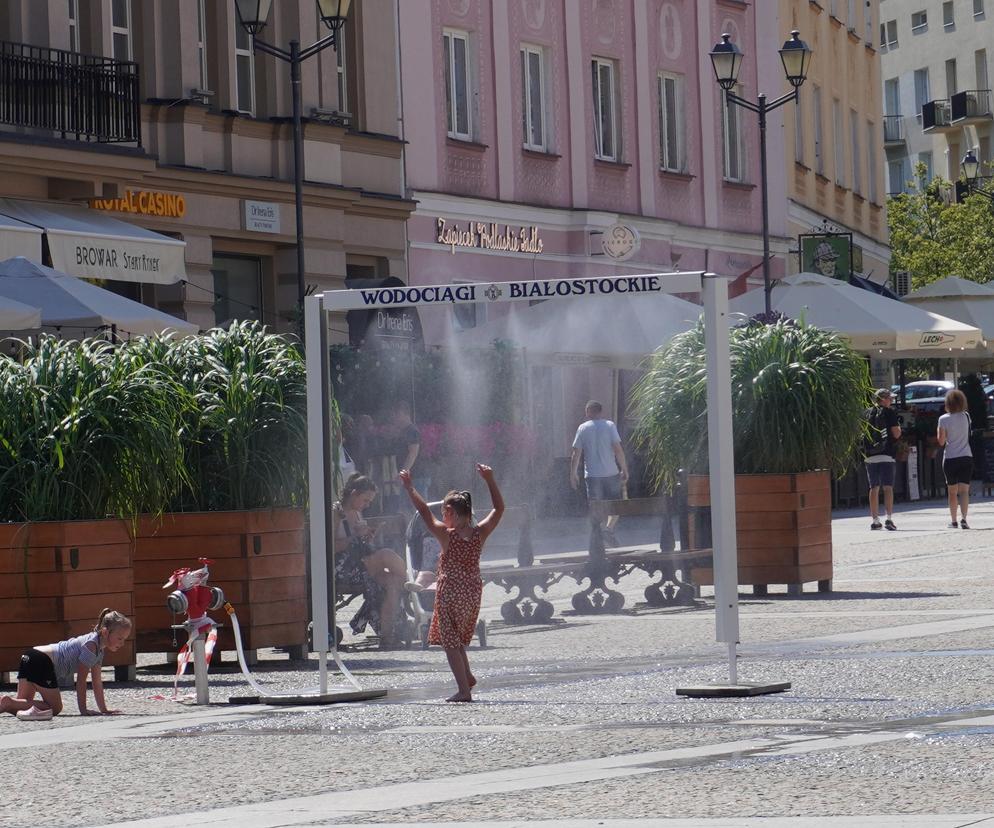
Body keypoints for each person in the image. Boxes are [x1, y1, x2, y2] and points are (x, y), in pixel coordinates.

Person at [401, 463, 504, 702]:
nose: (442, 517)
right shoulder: (480, 533)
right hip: (472, 591)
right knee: (456, 639)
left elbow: (424, 511)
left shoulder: (447, 536)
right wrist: (490, 479)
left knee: (449, 643)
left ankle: (464, 691)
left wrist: (409, 488)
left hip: (450, 592)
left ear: (454, 514)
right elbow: (499, 508)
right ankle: (466, 677)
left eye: (445, 513)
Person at [333, 473, 418, 648]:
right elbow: (330, 547)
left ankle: (387, 637)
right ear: (354, 493)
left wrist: (367, 537)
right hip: (343, 568)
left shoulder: (356, 513)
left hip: (360, 563)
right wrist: (355, 536)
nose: (367, 505)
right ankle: (413, 587)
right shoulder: (336, 512)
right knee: (386, 555)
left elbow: (358, 544)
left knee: (393, 582)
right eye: (365, 500)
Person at [0, 609, 132, 721]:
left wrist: (104, 709)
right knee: (55, 708)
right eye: (120, 638)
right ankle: (7, 702)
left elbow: (97, 682)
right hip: (41, 660)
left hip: (30, 655)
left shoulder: (98, 649)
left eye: (124, 639)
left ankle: (5, 702)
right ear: (105, 632)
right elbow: (81, 681)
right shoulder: (91, 646)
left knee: (20, 705)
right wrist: (83, 710)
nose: (122, 643)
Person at [570, 400, 629, 546]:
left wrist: (573, 474)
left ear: (588, 412)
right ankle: (608, 530)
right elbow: (617, 449)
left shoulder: (582, 428)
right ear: (601, 412)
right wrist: (624, 468)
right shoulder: (609, 426)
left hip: (592, 475)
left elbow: (576, 453)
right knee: (616, 505)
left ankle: (599, 533)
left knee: (596, 506)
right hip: (611, 473)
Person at [863, 388, 902, 530]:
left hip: (870, 455)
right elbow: (896, 434)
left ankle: (875, 520)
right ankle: (889, 519)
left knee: (873, 487)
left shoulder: (867, 412)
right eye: (889, 399)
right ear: (883, 399)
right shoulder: (890, 412)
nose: (891, 401)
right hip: (887, 453)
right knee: (887, 488)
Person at [938, 388, 973, 529]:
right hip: (966, 456)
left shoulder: (943, 419)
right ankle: (964, 519)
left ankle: (954, 521)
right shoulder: (966, 416)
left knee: (952, 491)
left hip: (951, 457)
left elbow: (941, 441)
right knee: (964, 490)